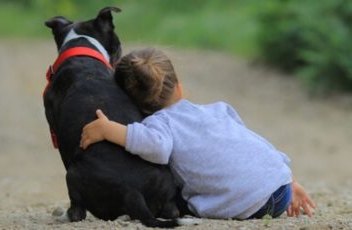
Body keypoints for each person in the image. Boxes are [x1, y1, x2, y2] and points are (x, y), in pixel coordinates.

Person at [80, 48, 315, 219]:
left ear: (133, 106)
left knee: (174, 190)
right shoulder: (219, 109)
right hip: (281, 189)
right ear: (179, 87)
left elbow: (156, 147)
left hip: (249, 205)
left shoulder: (160, 123)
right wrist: (288, 179)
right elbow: (251, 144)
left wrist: (109, 129)